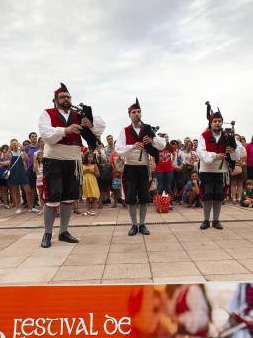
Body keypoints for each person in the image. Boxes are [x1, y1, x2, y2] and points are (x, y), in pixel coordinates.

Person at [38, 83, 105, 248]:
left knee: (69, 198)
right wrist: (65, 130)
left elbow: (100, 127)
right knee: (52, 198)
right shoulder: (47, 113)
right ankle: (47, 233)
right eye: (62, 97)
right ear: (55, 100)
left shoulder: (77, 114)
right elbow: (46, 135)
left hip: (73, 161)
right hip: (53, 160)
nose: (66, 99)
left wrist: (89, 124)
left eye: (68, 97)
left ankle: (63, 231)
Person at [114, 99, 165, 235]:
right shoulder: (124, 131)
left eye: (138, 112)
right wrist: (132, 146)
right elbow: (118, 149)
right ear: (129, 115)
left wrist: (153, 140)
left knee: (143, 197)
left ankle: (142, 224)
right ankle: (133, 224)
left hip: (143, 167)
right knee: (131, 197)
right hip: (130, 167)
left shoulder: (147, 129)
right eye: (133, 112)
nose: (137, 114)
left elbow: (162, 145)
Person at [197, 105, 239, 229]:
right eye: (214, 121)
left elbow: (237, 154)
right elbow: (201, 152)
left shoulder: (228, 137)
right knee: (207, 195)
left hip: (221, 171)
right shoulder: (203, 136)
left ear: (222, 123)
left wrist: (232, 151)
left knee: (219, 196)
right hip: (207, 170)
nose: (217, 123)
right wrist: (215, 156)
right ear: (210, 123)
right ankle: (205, 220)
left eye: (219, 121)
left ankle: (216, 220)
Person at [7, 139, 32, 214]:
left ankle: (30, 207)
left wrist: (23, 150)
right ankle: (18, 207)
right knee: (15, 191)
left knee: (28, 190)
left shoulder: (21, 152)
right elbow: (7, 158)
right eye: (13, 143)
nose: (15, 145)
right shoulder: (10, 153)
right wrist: (9, 148)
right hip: (13, 173)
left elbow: (27, 159)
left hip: (22, 173)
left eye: (16, 143)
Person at [81, 150, 100, 216]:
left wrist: (92, 172)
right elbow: (80, 174)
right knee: (87, 197)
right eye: (89, 157)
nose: (90, 158)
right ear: (86, 157)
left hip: (93, 182)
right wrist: (85, 171)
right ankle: (87, 210)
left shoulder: (94, 165)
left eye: (92, 157)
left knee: (94, 196)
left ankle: (94, 210)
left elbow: (98, 175)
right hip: (85, 182)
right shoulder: (82, 165)